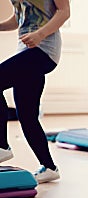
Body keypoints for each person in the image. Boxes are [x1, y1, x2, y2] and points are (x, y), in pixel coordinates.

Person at [0, 0, 70, 183]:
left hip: (44, 49)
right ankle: (49, 167)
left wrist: (40, 34)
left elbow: (64, 12)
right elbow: (18, 18)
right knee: (27, 115)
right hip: (24, 49)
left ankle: (2, 145)